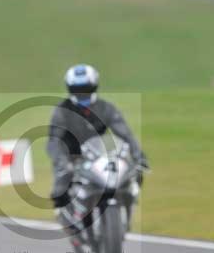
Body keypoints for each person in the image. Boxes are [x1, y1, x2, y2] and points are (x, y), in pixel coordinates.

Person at [46, 63, 149, 236]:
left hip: (99, 153)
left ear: (94, 86)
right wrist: (62, 162)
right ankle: (62, 212)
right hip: (72, 157)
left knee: (134, 171)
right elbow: (54, 140)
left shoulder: (106, 108)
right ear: (69, 88)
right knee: (62, 180)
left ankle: (128, 208)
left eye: (86, 88)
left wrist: (139, 156)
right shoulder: (62, 111)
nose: (82, 93)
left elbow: (125, 133)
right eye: (77, 89)